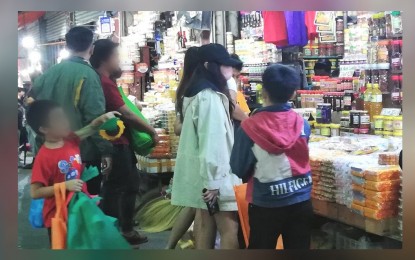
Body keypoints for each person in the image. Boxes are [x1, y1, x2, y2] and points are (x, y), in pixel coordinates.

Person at [230, 64, 313, 249]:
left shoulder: (249, 128)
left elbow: (238, 167)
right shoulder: (302, 124)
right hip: (301, 201)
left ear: (263, 91)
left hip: (266, 204)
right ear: (293, 94)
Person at [171, 43, 242, 249]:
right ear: (210, 66)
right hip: (216, 176)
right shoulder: (209, 97)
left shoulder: (195, 92)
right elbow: (213, 139)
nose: (228, 71)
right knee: (229, 228)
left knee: (205, 223)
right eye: (224, 65)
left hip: (206, 174)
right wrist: (213, 181)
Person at [90, 39, 159, 248]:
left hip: (118, 140)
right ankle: (116, 232)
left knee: (124, 186)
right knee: (119, 187)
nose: (119, 60)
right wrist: (150, 130)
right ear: (106, 58)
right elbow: (126, 112)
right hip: (115, 142)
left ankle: (120, 229)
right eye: (116, 56)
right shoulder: (103, 82)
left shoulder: (104, 80)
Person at [30, 26, 112, 195]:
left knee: (57, 204)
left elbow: (34, 110)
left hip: (50, 154)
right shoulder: (88, 75)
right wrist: (106, 151)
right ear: (92, 48)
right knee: (82, 207)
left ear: (66, 47)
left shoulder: (46, 75)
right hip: (81, 155)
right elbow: (95, 116)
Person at [26, 100, 119, 246]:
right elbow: (35, 192)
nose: (65, 122)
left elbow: (86, 131)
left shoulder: (69, 140)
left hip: (79, 210)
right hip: (59, 217)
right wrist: (65, 186)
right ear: (44, 129)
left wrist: (100, 120)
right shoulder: (44, 157)